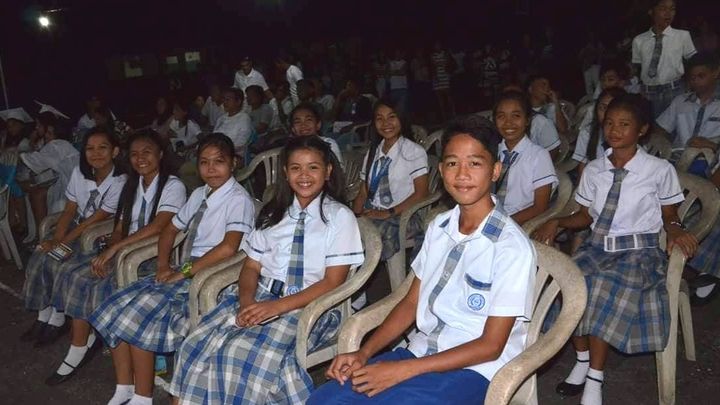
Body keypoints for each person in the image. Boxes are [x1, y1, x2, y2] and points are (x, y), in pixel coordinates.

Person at [308, 121, 536, 405]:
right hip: (421, 351)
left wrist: (402, 371)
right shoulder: (439, 227)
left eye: (475, 163)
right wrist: (364, 353)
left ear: (496, 171)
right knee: (324, 399)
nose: (462, 174)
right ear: (441, 170)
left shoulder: (510, 247)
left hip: (475, 370)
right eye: (452, 163)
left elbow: (491, 345)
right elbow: (410, 302)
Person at [169, 135, 363, 404]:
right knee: (195, 345)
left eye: (313, 167)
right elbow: (251, 266)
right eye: (295, 168)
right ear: (285, 172)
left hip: (310, 305)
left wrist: (276, 307)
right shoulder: (274, 214)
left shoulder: (340, 217)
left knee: (237, 353)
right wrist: (246, 301)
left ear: (328, 171)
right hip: (261, 295)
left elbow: (332, 282)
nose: (304, 175)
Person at [532, 94, 698, 405]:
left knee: (599, 288)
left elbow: (669, 213)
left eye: (624, 124)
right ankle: (582, 360)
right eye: (609, 123)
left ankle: (595, 377)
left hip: (639, 252)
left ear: (642, 129)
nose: (614, 130)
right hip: (598, 247)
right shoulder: (594, 169)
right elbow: (585, 216)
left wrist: (675, 229)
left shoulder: (658, 169)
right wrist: (558, 221)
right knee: (566, 284)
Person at [89, 133, 256, 405]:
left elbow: (228, 248)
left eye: (219, 161)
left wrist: (183, 271)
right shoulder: (200, 193)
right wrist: (164, 264)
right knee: (116, 305)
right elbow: (170, 230)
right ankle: (125, 387)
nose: (211, 169)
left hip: (213, 274)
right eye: (204, 162)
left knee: (137, 313)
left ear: (233, 163)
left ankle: (143, 397)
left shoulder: (238, 199)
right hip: (187, 268)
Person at [44, 131, 187, 386]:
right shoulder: (133, 184)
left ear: (160, 154)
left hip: (150, 257)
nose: (140, 158)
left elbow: (159, 226)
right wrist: (110, 249)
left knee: (103, 287)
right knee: (77, 275)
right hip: (125, 252)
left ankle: (98, 345)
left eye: (147, 152)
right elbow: (120, 226)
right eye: (134, 154)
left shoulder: (173, 186)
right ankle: (80, 343)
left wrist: (115, 250)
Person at [21, 128, 127, 347]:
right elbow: (70, 209)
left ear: (115, 151)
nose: (96, 154)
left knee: (59, 261)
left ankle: (58, 318)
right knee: (41, 256)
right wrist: (56, 238)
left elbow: (95, 219)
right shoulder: (80, 172)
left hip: (96, 232)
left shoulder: (120, 181)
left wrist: (61, 242)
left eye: (102, 148)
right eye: (90, 148)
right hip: (77, 225)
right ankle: (43, 314)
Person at [352, 98, 429, 261]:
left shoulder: (413, 151)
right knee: (345, 231)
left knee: (370, 236)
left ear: (401, 118)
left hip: (404, 215)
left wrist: (388, 213)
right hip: (373, 211)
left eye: (392, 117)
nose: (385, 123)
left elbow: (421, 193)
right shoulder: (373, 152)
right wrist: (354, 215)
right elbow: (364, 190)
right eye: (379, 118)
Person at [493, 91, 558, 226]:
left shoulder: (538, 156)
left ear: (527, 120)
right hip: (490, 215)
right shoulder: (492, 152)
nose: (508, 122)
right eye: (501, 116)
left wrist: (502, 224)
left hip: (517, 222)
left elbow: (540, 207)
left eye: (516, 116)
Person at [19, 107, 80, 239]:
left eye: (49, 133)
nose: (46, 135)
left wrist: (19, 156)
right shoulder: (58, 143)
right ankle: (40, 231)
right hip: (61, 180)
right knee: (32, 189)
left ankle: (43, 235)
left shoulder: (58, 145)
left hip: (69, 185)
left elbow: (38, 161)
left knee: (36, 193)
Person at [632, 0, 696, 117]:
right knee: (650, 123)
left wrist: (690, 84)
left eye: (672, 9)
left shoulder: (682, 36)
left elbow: (694, 62)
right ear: (651, 11)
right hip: (648, 92)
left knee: (675, 124)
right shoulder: (639, 40)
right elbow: (638, 67)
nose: (668, 13)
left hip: (674, 90)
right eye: (663, 8)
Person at [656, 52, 720, 165]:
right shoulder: (680, 101)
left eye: (701, 76)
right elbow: (661, 129)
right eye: (692, 78)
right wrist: (664, 145)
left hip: (712, 162)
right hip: (678, 159)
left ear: (716, 73)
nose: (696, 81)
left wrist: (711, 145)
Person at [573, 87, 627, 177]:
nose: (606, 113)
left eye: (612, 108)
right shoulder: (587, 132)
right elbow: (582, 167)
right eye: (603, 108)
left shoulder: (630, 134)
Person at [213, 88, 253, 155]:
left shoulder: (244, 118)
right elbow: (213, 137)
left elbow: (241, 143)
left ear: (238, 102)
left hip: (233, 155)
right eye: (224, 99)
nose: (224, 102)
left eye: (228, 99)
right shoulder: (221, 118)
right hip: (217, 152)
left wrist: (221, 150)